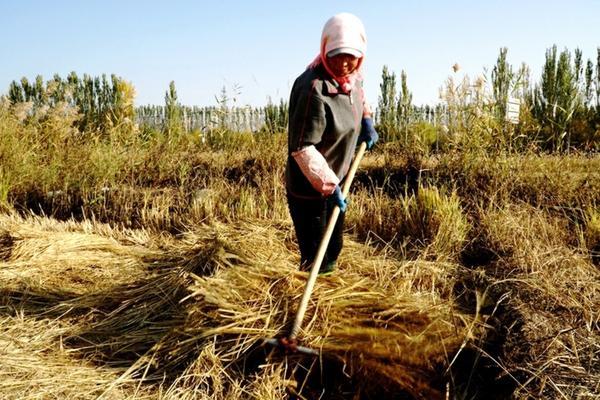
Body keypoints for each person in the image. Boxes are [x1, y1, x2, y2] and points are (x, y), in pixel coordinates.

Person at [285, 12, 378, 275]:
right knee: (316, 253)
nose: (344, 63)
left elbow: (358, 95)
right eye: (337, 54)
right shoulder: (312, 88)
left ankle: (328, 283)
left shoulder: (355, 77)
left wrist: (366, 120)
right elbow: (302, 148)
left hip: (338, 178)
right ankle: (317, 302)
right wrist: (329, 185)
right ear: (325, 48)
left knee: (334, 246)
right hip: (309, 188)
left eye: (351, 56)